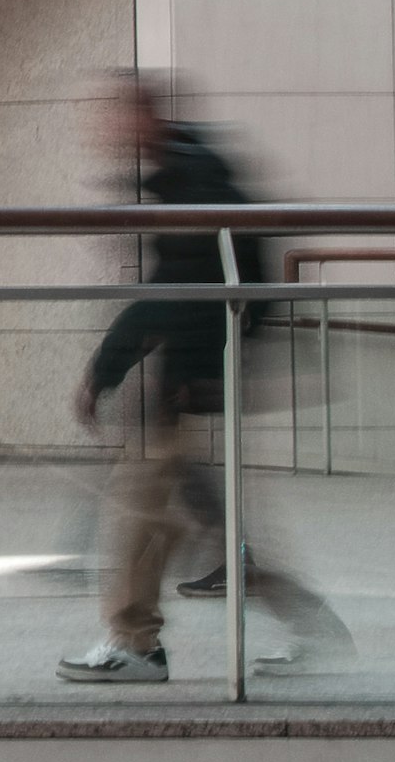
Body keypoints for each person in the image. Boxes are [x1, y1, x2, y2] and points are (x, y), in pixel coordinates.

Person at [57, 73, 352, 684]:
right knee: (209, 527)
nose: (109, 131)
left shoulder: (193, 180)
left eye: (119, 116)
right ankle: (311, 628)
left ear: (147, 116)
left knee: (148, 511)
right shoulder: (189, 172)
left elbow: (176, 293)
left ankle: (136, 644)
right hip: (197, 380)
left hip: (191, 386)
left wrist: (105, 371)